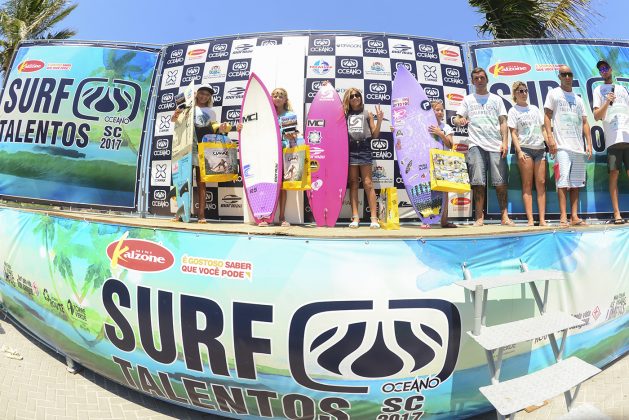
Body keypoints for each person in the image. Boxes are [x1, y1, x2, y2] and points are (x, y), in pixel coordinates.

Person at [453, 67, 513, 227]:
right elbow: (457, 118)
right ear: (473, 81)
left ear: (487, 79)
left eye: (482, 77)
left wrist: (505, 142)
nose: (479, 80)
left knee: (500, 182)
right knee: (478, 182)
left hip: (495, 145)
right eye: (476, 78)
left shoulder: (496, 99)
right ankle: (479, 218)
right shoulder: (468, 99)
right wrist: (459, 121)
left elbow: (503, 122)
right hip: (475, 144)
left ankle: (504, 217)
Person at [171, 84, 230, 223]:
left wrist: (221, 128)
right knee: (183, 181)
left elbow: (214, 128)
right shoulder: (187, 107)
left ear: (210, 97)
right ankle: (180, 213)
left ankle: (201, 214)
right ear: (196, 93)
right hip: (185, 147)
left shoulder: (211, 112)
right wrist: (176, 114)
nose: (204, 96)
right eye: (202, 93)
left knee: (201, 182)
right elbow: (175, 122)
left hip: (202, 148)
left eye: (208, 95)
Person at [544, 65, 593, 227]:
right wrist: (550, 138)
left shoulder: (578, 99)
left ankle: (574, 216)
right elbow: (547, 116)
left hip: (578, 147)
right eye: (563, 74)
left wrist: (589, 143)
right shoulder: (553, 94)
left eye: (569, 74)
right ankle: (563, 217)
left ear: (572, 76)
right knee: (562, 181)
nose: (567, 77)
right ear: (559, 76)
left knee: (576, 183)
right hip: (562, 146)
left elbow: (585, 122)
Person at [508, 81, 555, 226]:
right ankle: (530, 219)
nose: (524, 93)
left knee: (541, 183)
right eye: (520, 91)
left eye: (525, 91)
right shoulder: (513, 111)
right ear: (515, 94)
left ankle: (541, 219)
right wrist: (519, 150)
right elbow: (513, 133)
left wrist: (550, 144)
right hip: (525, 149)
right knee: (527, 184)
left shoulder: (534, 109)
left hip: (540, 149)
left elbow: (543, 129)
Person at [592, 59, 629, 225]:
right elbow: (597, 116)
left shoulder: (622, 89)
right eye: (601, 69)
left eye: (606, 68)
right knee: (614, 175)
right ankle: (617, 213)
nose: (604, 71)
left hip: (627, 137)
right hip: (612, 141)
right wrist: (607, 101)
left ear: (611, 69)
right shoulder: (597, 90)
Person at [343, 88, 383, 229]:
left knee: (368, 184)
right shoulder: (345, 114)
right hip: (351, 149)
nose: (355, 98)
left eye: (357, 95)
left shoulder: (367, 113)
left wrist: (379, 121)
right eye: (352, 96)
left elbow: (375, 135)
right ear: (348, 99)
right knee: (353, 183)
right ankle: (355, 217)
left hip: (364, 148)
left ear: (360, 97)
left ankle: (374, 218)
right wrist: (326, 86)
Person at [271, 87, 300, 227]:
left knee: (282, 186)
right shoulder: (266, 113)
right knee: (269, 184)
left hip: (284, 152)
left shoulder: (289, 114)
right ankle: (266, 215)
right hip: (268, 153)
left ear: (285, 100)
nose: (277, 98)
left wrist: (291, 136)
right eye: (275, 95)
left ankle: (282, 217)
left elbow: (293, 135)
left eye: (281, 96)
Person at [428, 101, 457, 228]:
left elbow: (450, 145)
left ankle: (444, 221)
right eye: (437, 110)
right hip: (427, 161)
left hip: (443, 161)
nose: (440, 112)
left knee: (444, 192)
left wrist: (440, 133)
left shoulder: (446, 127)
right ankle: (428, 221)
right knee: (429, 191)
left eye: (441, 110)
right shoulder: (424, 125)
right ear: (431, 111)